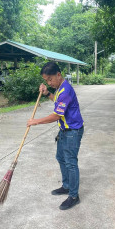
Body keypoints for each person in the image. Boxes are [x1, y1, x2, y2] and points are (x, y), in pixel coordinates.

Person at [27, 62, 84, 210]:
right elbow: (57, 101)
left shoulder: (65, 91)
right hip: (64, 131)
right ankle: (66, 186)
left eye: (50, 79)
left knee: (71, 162)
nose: (49, 82)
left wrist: (36, 121)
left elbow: (57, 115)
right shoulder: (59, 89)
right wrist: (47, 93)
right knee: (60, 157)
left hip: (73, 131)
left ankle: (73, 195)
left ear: (59, 75)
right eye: (46, 80)